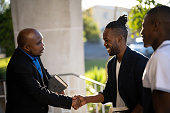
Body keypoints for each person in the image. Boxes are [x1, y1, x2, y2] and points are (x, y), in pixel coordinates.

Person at [76, 15, 148, 113]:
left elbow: (144, 101)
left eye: (107, 40)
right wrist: (86, 99)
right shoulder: (111, 64)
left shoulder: (140, 62)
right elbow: (108, 93)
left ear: (120, 39)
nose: (105, 44)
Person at [5, 28, 80, 113]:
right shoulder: (19, 64)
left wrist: (58, 87)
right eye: (38, 43)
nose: (43, 45)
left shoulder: (32, 53)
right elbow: (38, 92)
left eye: (42, 41)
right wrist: (70, 101)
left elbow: (43, 72)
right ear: (27, 47)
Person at [141, 5, 170, 113]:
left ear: (156, 26)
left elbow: (163, 109)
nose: (141, 32)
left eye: (143, 26)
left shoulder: (161, 57)